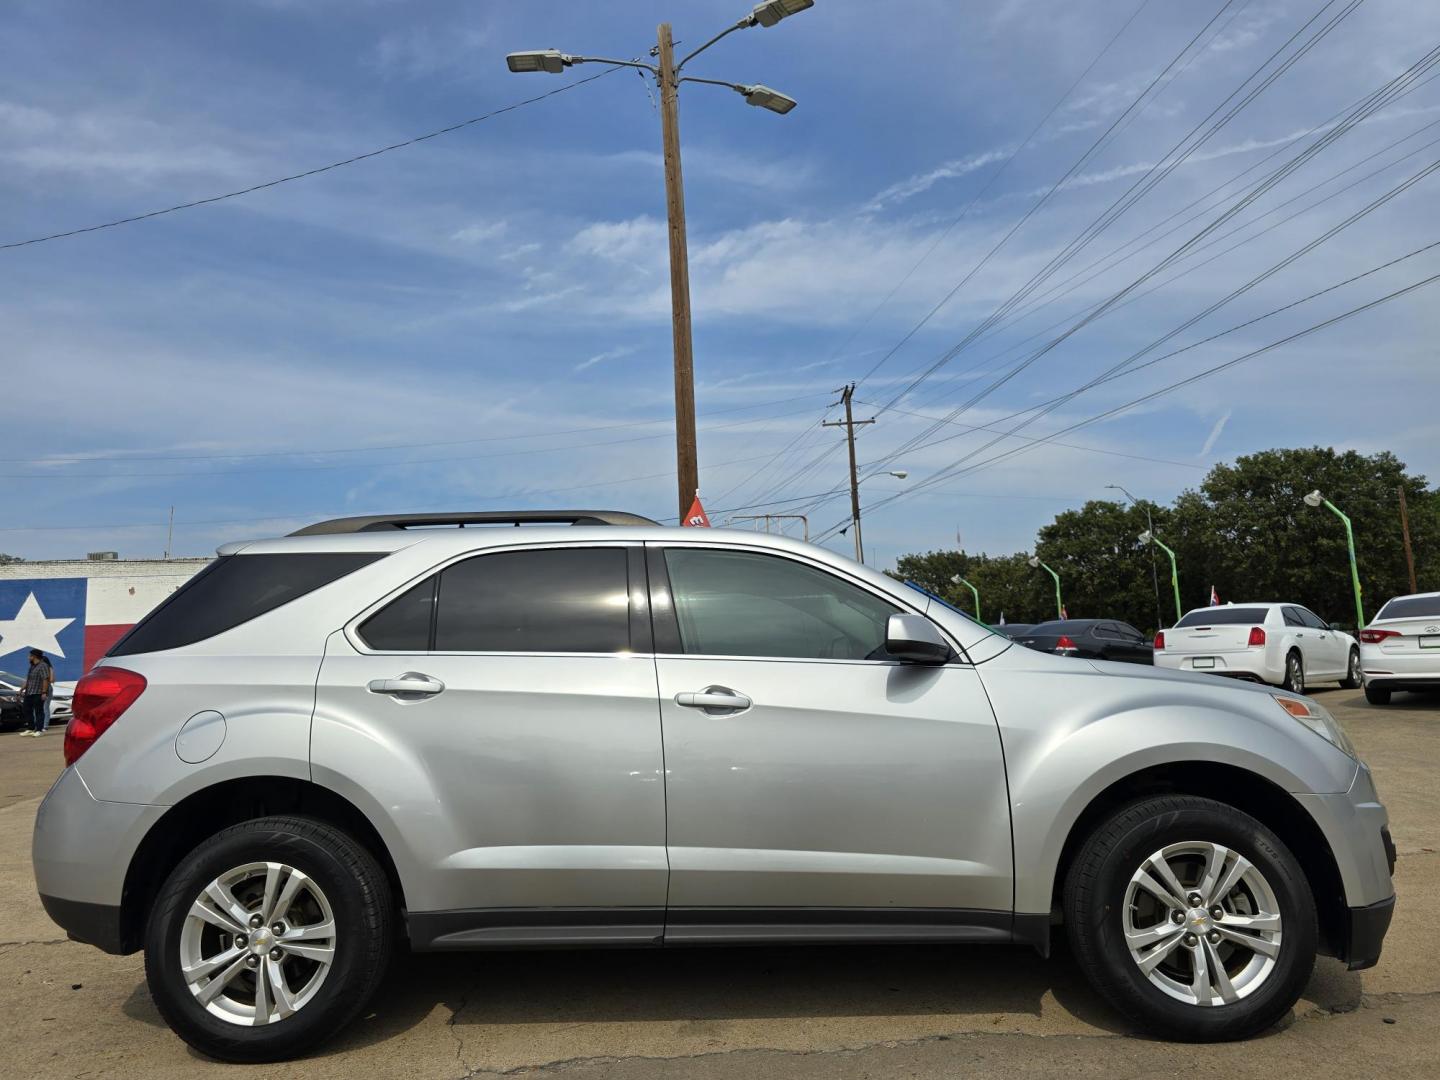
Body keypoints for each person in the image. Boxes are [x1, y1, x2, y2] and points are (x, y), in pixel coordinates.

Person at [21, 648, 53, 737]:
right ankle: (30, 728)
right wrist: (21, 689)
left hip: (38, 692)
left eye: (29, 656)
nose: (28, 657)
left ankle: (39, 730)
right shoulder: (32, 666)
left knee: (39, 711)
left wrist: (44, 692)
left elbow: (45, 679)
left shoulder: (43, 666)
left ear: (34, 656)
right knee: (26, 709)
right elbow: (28, 680)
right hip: (29, 692)